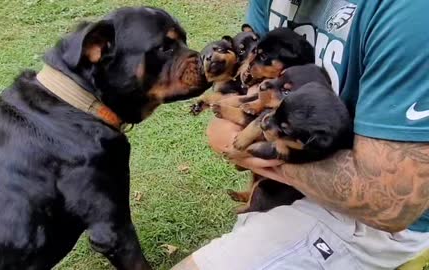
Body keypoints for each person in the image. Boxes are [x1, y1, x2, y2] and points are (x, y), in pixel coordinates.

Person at [172, 0, 429, 269]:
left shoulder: (409, 14)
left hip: (367, 224)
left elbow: (388, 202)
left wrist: (257, 148)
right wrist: (233, 118)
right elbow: (246, 87)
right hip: (289, 187)